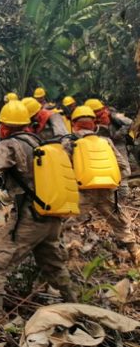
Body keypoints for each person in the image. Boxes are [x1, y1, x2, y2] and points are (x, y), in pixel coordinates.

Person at [0, 100, 76, 322]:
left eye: (1, 126)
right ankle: (75, 304)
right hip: (51, 217)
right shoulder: (38, 141)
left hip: (29, 218)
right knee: (53, 264)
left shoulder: (9, 145)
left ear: (4, 127)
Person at [64, 106, 140, 265]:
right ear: (93, 124)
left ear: (74, 124)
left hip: (81, 192)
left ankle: (73, 259)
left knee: (69, 224)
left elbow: (62, 169)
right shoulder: (106, 141)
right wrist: (114, 182)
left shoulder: (69, 142)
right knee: (121, 222)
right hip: (107, 190)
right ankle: (135, 253)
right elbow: (124, 167)